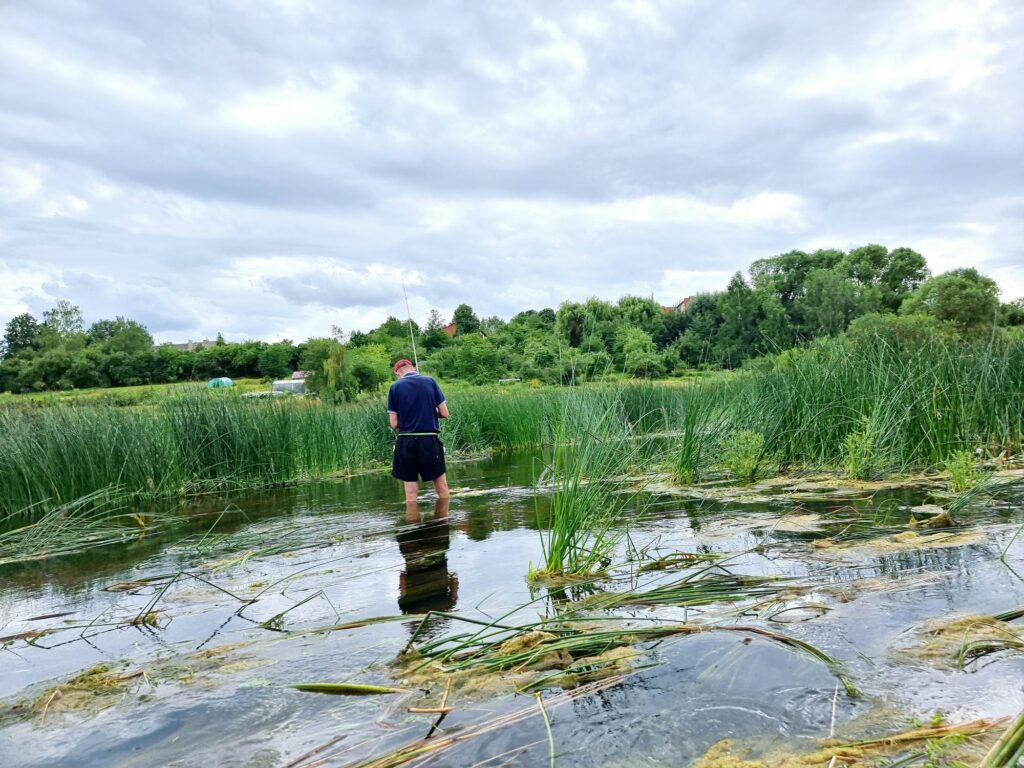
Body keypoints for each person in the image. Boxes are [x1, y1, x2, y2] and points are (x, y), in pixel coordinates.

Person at [387, 359, 450, 502]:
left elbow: (393, 423)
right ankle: (443, 520)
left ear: (397, 373)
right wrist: (430, 412)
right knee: (441, 487)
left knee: (410, 492)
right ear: (413, 368)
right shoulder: (430, 381)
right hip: (429, 440)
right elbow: (445, 413)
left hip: (406, 442)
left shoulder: (395, 387)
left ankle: (412, 522)